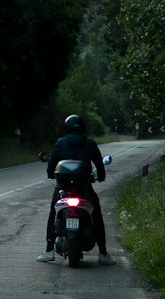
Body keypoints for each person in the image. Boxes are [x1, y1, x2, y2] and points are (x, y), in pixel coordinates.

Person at [36, 113, 115, 264]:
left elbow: (51, 166)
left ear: (66, 128)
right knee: (96, 215)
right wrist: (101, 177)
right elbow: (99, 165)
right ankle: (103, 253)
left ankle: (48, 250)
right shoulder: (90, 143)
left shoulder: (60, 143)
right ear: (83, 127)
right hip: (84, 189)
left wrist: (51, 174)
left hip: (63, 189)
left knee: (54, 213)